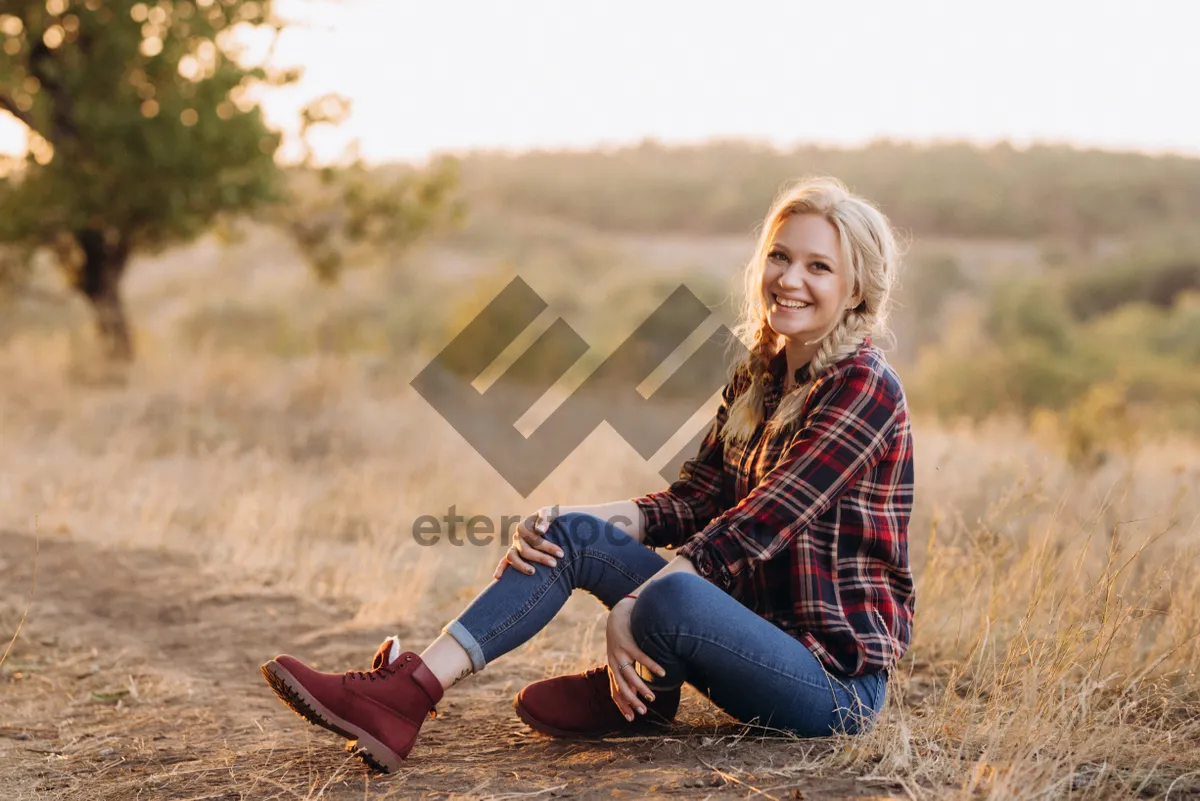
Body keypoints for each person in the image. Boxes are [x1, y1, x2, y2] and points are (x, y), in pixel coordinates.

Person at [261, 175, 916, 774]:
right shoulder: (759, 373)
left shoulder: (864, 385)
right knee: (568, 532)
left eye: (818, 266)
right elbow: (696, 500)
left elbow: (756, 523)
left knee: (673, 595)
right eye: (780, 256)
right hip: (745, 635)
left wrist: (631, 607)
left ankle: (635, 689)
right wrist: (575, 525)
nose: (790, 278)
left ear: (855, 289)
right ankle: (409, 693)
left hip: (830, 683)